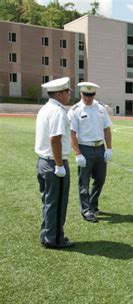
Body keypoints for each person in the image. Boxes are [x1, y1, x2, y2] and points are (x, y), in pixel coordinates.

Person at [35, 77, 74, 248]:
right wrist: (59, 165)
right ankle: (55, 239)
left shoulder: (46, 108)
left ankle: (47, 235)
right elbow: (55, 140)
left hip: (43, 161)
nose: (68, 94)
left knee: (49, 202)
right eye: (67, 92)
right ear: (59, 93)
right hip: (53, 163)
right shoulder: (57, 111)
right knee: (57, 204)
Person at [68, 82, 112, 223]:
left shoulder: (101, 108)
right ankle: (86, 210)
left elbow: (106, 129)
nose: (88, 97)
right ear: (81, 93)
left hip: (100, 148)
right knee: (84, 182)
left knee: (100, 179)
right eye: (86, 94)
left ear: (95, 94)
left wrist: (109, 148)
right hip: (85, 148)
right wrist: (77, 153)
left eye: (91, 95)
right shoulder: (75, 110)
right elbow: (72, 133)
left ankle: (93, 205)